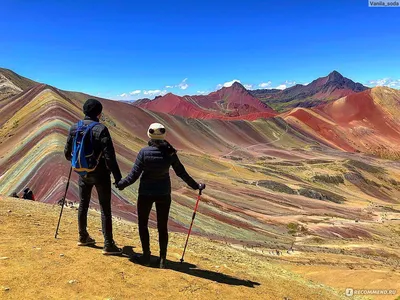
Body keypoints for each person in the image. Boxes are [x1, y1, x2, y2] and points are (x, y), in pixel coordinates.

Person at [116, 122, 205, 268]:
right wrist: (196, 186)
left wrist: (121, 184)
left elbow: (133, 176)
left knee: (142, 224)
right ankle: (162, 260)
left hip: (145, 193)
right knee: (162, 227)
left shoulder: (144, 152)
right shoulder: (170, 153)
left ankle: (146, 256)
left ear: (149, 134)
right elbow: (181, 173)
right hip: (164, 193)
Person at [64, 98, 123, 255]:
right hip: (101, 174)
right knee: (105, 208)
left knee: (83, 204)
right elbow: (110, 157)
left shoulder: (74, 128)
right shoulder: (101, 129)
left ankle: (83, 237)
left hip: (83, 173)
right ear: (99, 113)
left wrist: (79, 164)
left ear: (84, 111)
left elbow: (66, 153)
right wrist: (118, 178)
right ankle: (108, 244)